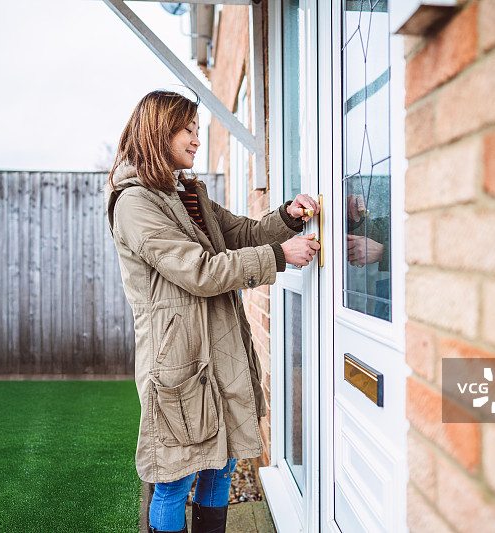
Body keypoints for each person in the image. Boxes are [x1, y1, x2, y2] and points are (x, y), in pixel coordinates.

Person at [106, 89, 320, 533]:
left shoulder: (189, 193)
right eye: (188, 130)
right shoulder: (135, 204)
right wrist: (279, 257)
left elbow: (243, 232)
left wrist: (290, 216)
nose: (196, 140)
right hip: (178, 357)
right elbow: (197, 270)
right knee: (175, 477)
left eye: (197, 131)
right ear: (158, 132)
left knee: (219, 464)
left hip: (219, 347)